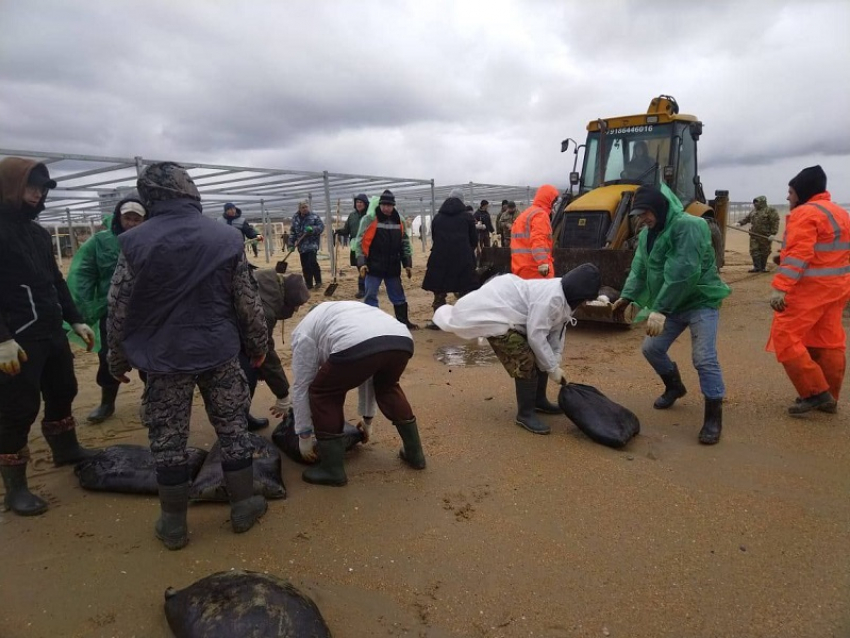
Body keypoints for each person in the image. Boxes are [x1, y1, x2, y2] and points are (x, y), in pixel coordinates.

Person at [107, 162, 269, 550]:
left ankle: (173, 525)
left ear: (150, 195)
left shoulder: (134, 242)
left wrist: (116, 358)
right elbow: (247, 301)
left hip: (163, 359)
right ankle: (244, 506)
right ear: (191, 191)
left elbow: (118, 307)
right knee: (233, 430)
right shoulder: (225, 237)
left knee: (168, 440)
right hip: (219, 350)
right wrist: (258, 346)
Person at [0, 158, 98, 516]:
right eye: (31, 187)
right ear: (11, 187)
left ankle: (66, 449)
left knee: (62, 389)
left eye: (41, 189)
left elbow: (55, 281)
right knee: (17, 407)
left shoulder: (39, 233)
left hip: (50, 329)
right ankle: (15, 489)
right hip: (16, 338)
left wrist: (75, 319)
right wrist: (2, 339)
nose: (37, 194)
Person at [612, 184, 731, 445]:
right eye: (639, 215)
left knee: (703, 358)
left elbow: (683, 272)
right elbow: (640, 267)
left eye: (646, 213)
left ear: (659, 207)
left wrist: (661, 309)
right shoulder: (647, 234)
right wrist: (627, 295)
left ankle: (713, 416)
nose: (642, 219)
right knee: (651, 349)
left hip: (700, 299)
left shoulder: (688, 226)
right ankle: (675, 386)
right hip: (672, 305)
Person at [434, 264, 601, 435]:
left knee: (543, 355)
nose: (584, 303)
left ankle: (539, 401)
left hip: (517, 316)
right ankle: (525, 414)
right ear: (578, 294)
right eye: (585, 299)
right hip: (498, 316)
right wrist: (552, 369)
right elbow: (537, 336)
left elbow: (557, 330)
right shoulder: (550, 299)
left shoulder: (566, 297)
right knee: (525, 359)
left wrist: (555, 359)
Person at [291, 301, 425, 486]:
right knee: (388, 388)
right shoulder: (345, 313)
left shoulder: (304, 330)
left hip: (357, 342)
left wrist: (304, 436)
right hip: (401, 339)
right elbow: (369, 372)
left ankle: (332, 469)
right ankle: (415, 454)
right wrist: (367, 422)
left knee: (324, 393)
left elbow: (302, 386)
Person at [767, 165, 850, 415]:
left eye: (791, 192)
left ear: (802, 192)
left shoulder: (805, 214)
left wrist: (781, 288)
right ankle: (829, 397)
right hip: (836, 290)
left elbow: (800, 254)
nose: (788, 197)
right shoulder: (840, 213)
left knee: (784, 336)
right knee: (828, 341)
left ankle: (815, 392)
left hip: (809, 291)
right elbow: (826, 252)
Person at [68, 195, 147, 423]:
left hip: (145, 311)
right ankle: (107, 402)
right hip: (111, 311)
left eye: (136, 218)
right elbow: (83, 273)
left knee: (149, 356)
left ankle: (149, 400)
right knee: (108, 357)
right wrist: (83, 308)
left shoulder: (151, 240)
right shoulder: (100, 242)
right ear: (118, 218)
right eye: (127, 217)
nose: (131, 223)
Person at [241, 269, 311, 426]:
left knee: (253, 365)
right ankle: (238, 424)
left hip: (230, 327)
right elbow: (264, 350)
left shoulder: (268, 278)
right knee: (246, 373)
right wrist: (283, 394)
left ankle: (241, 417)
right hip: (219, 334)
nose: (295, 311)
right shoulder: (266, 310)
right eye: (295, 307)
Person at [356, 190, 418, 329]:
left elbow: (404, 242)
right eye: (384, 205)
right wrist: (362, 263)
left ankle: (403, 322)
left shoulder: (399, 220)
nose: (386, 208)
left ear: (393, 206)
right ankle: (373, 324)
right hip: (373, 266)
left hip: (392, 265)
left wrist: (407, 262)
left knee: (398, 295)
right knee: (370, 295)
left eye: (389, 205)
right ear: (380, 205)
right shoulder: (370, 219)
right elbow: (360, 242)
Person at [422, 188, 477, 324]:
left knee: (439, 292)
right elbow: (474, 240)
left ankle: (438, 321)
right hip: (462, 258)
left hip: (440, 258)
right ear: (462, 201)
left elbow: (434, 237)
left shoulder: (438, 217)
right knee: (465, 291)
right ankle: (465, 320)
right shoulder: (468, 217)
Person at [511, 184, 559, 279]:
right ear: (549, 200)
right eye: (554, 201)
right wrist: (543, 264)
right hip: (535, 271)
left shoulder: (525, 214)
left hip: (520, 269)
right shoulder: (541, 215)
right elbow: (538, 240)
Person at [338, 193, 370, 299]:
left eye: (361, 202)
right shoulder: (352, 216)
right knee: (359, 267)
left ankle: (362, 289)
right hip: (355, 246)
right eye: (357, 202)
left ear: (365, 204)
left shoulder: (370, 215)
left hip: (367, 245)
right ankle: (367, 286)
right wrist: (339, 231)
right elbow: (347, 230)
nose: (359, 204)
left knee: (364, 266)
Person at [288, 201, 324, 290]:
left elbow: (321, 227)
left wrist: (313, 229)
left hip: (312, 244)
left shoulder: (314, 216)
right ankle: (309, 283)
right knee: (305, 265)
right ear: (299, 209)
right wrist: (291, 244)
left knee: (312, 262)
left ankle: (318, 281)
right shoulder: (295, 218)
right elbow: (293, 232)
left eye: (306, 207)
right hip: (302, 246)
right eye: (303, 207)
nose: (305, 209)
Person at [737, 196, 779, 273]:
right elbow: (747, 219)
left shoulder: (770, 211)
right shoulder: (753, 211)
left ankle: (763, 267)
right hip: (754, 235)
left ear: (762, 202)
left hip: (765, 236)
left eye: (757, 202)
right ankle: (757, 267)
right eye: (755, 202)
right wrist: (739, 223)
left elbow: (775, 222)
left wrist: (773, 233)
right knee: (754, 251)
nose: (755, 204)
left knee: (764, 252)